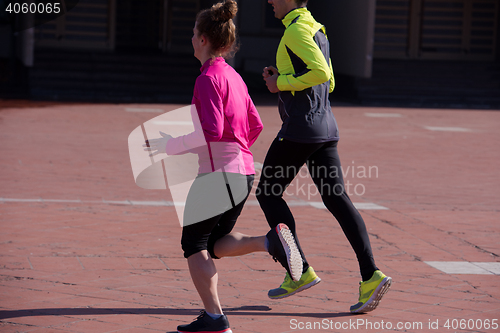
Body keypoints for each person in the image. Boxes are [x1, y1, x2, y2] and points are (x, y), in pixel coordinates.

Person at [144, 1, 303, 332]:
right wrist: (236, 153)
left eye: (192, 34)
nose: (191, 38)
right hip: (243, 173)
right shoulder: (234, 77)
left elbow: (212, 130)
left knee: (193, 246)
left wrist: (170, 145)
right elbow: (256, 125)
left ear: (204, 40)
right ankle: (269, 241)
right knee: (216, 243)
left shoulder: (206, 79)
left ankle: (215, 318)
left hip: (218, 176)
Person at [259, 0, 392, 313]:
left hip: (301, 130)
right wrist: (287, 79)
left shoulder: (294, 31)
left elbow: (319, 73)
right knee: (338, 199)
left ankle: (299, 271)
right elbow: (329, 80)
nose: (270, 1)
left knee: (268, 193)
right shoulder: (317, 28)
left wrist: (280, 83)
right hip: (326, 127)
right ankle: (370, 275)